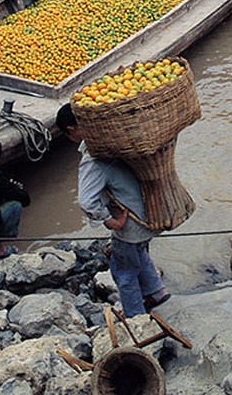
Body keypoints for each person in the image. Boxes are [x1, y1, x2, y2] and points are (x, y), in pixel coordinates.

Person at [57, 104, 170, 316]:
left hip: (129, 223)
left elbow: (87, 201)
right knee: (139, 253)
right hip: (148, 215)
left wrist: (110, 221)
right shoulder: (116, 144)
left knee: (124, 271)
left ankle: (136, 317)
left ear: (72, 129)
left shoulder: (94, 159)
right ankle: (157, 292)